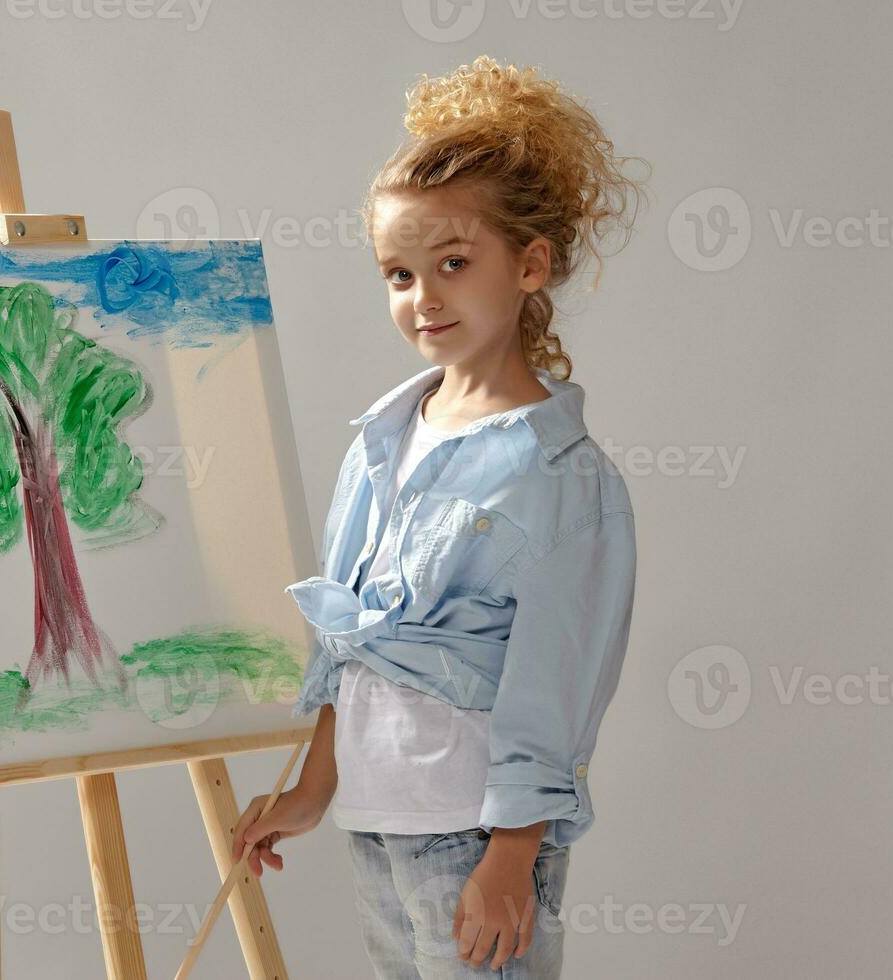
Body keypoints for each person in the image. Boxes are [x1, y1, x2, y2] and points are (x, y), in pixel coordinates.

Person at [231, 56, 649, 978]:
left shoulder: (560, 479)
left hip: (475, 834)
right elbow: (354, 645)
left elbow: (559, 682)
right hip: (380, 823)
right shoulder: (382, 438)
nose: (424, 298)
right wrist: (313, 787)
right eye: (398, 273)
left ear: (530, 264)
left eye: (453, 265)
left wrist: (512, 853)